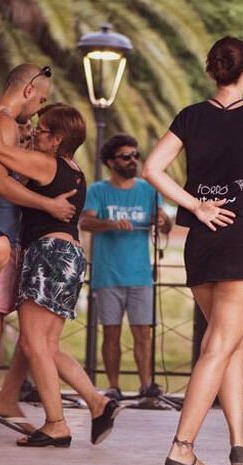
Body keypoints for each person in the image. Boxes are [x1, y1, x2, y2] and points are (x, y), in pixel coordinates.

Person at [143, 34, 243, 465]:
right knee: (220, 345)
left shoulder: (190, 117)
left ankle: (239, 444)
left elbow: (153, 169)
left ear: (213, 71)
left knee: (226, 342)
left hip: (203, 238)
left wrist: (194, 205)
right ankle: (182, 448)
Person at [0, 103, 119, 448]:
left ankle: (56, 423)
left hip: (47, 254)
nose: (35, 132)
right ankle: (97, 402)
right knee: (46, 346)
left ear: (56, 140)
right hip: (69, 255)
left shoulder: (47, 164)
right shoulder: (74, 170)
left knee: (32, 343)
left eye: (41, 130)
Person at [0, 64, 74, 444]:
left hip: (3, 232)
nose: (39, 109)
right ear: (27, 91)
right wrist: (48, 205)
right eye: (40, 99)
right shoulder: (2, 120)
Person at [79, 133, 172, 401]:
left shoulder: (149, 190)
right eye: (125, 156)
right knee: (111, 333)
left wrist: (163, 220)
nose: (133, 160)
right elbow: (85, 222)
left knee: (143, 333)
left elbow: (166, 226)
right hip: (107, 274)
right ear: (111, 161)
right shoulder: (98, 190)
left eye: (135, 155)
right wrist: (109, 224)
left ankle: (147, 385)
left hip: (140, 274)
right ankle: (114, 386)